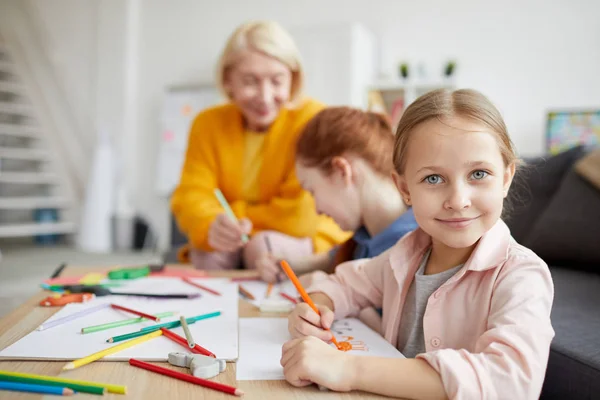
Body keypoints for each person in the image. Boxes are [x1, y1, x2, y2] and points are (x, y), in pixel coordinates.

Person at [281, 89, 555, 399]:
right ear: (404, 188)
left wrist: (349, 369)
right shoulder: (405, 254)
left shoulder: (522, 276)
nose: (458, 201)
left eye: (479, 173)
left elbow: (509, 382)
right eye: (434, 179)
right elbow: (346, 283)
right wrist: (317, 305)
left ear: (505, 179)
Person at [171, 21, 348, 270]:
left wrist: (236, 216)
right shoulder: (207, 123)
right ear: (228, 80)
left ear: (293, 80)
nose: (265, 97)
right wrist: (210, 224)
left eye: (277, 81)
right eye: (250, 81)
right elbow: (192, 194)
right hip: (242, 238)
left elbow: (300, 216)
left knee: (263, 246)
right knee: (209, 252)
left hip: (306, 238)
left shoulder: (313, 120)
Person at [255, 107, 417, 286]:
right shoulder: (367, 236)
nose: (317, 209)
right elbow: (336, 258)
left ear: (341, 171)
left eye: (312, 191)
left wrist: (334, 290)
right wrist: (289, 265)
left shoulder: (414, 249)